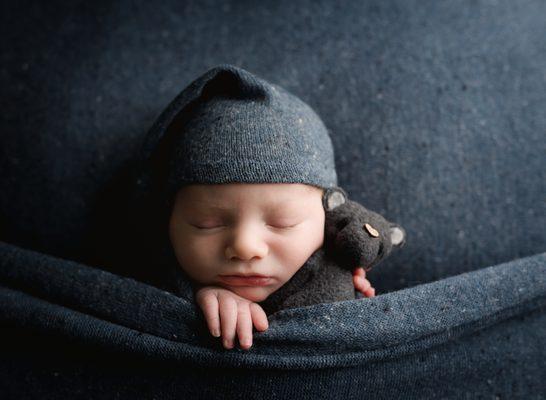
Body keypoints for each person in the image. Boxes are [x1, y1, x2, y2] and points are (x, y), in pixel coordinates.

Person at [129, 64, 404, 351]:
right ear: (167, 220)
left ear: (328, 217)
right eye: (206, 223)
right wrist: (196, 298)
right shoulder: (149, 268)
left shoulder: (335, 270)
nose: (246, 247)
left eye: (283, 222)